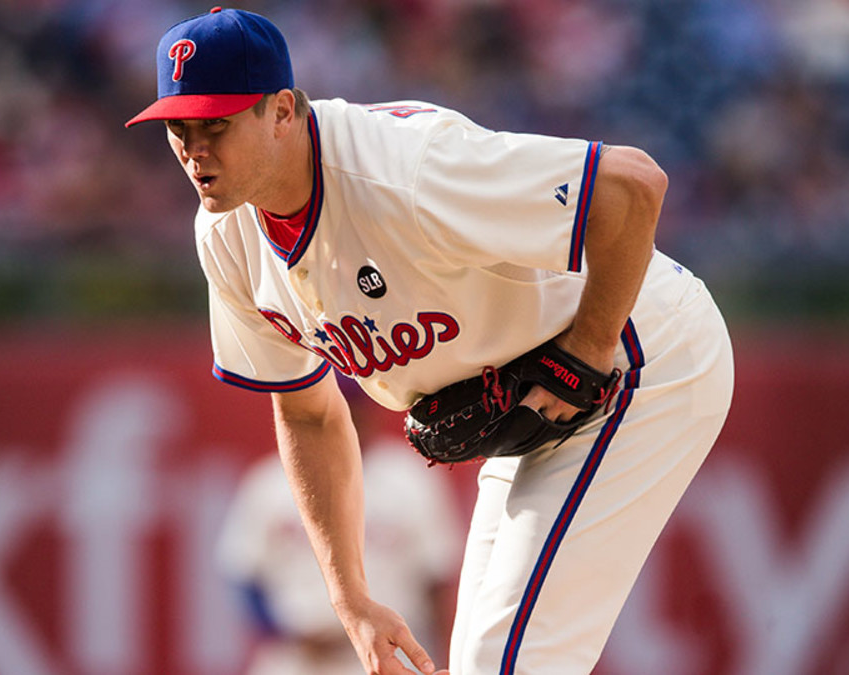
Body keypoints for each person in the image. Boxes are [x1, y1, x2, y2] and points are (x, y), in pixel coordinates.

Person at [126, 7, 734, 675]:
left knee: (511, 661)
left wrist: (586, 351)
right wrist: (351, 596)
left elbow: (632, 185)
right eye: (178, 128)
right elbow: (307, 410)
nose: (194, 148)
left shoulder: (404, 169)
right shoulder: (227, 236)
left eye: (217, 123)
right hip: (540, 392)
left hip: (640, 352)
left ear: (281, 111)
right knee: (477, 664)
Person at [216, 377, 460, 675]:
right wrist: (282, 632)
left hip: (390, 657)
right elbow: (243, 574)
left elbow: (436, 577)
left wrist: (443, 658)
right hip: (296, 660)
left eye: (354, 407)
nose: (347, 416)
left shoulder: (409, 476)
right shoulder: (270, 481)